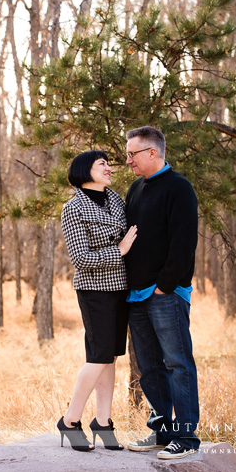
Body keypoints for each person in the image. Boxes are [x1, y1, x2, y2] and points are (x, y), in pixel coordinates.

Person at [122, 126, 200, 460]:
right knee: (149, 367)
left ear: (152, 152)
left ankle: (185, 437)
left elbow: (184, 242)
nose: (128, 161)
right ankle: (161, 431)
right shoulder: (136, 189)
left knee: (177, 363)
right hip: (136, 295)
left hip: (166, 294)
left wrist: (165, 285)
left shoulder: (179, 188)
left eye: (132, 154)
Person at [57, 150, 138, 452]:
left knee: (111, 356)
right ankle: (70, 420)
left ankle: (103, 422)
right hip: (94, 291)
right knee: (99, 355)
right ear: (84, 170)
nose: (109, 168)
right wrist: (120, 250)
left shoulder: (115, 199)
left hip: (120, 288)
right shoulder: (74, 208)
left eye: (108, 163)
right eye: (101, 164)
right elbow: (80, 259)